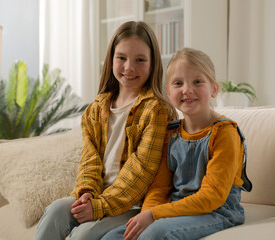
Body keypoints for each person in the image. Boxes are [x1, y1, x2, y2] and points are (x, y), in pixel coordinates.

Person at [34, 21, 176, 240]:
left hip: (133, 203)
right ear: (111, 61)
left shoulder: (156, 110)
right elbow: (89, 160)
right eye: (122, 58)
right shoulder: (95, 109)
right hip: (98, 196)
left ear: (153, 64)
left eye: (140, 60)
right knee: (55, 212)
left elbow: (141, 172)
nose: (129, 67)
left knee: (84, 235)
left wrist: (99, 207)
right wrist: (86, 193)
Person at [103, 48, 252, 240]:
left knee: (157, 234)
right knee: (112, 237)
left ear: (214, 89)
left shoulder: (225, 133)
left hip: (217, 212)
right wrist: (145, 215)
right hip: (175, 210)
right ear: (168, 91)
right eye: (178, 83)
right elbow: (159, 188)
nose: (187, 90)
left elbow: (212, 196)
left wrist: (155, 215)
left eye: (197, 82)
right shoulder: (171, 133)